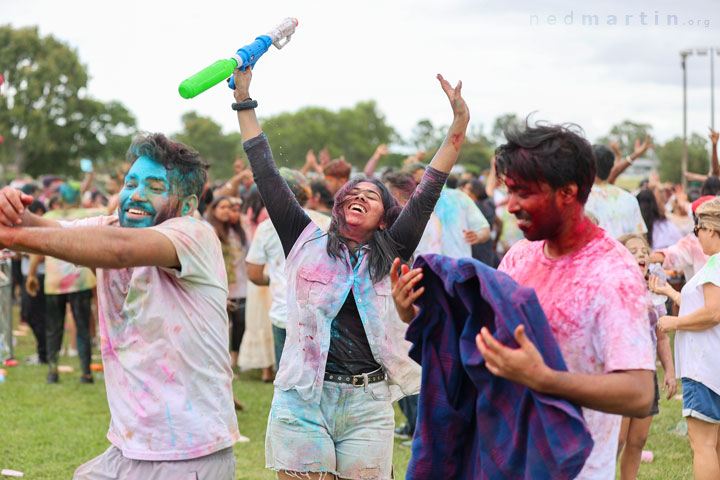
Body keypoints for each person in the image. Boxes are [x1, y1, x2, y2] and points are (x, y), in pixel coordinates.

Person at [232, 66, 469, 480]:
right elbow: (266, 174)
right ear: (339, 208)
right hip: (303, 397)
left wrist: (459, 123)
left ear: (383, 219)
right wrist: (244, 100)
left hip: (367, 403)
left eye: (371, 197)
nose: (359, 196)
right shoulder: (302, 238)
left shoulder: (393, 249)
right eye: (351, 194)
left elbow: (430, 186)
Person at [0, 133, 240, 479]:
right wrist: (11, 209)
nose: (136, 195)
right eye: (131, 183)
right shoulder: (111, 226)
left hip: (190, 453)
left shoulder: (193, 235)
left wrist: (10, 237)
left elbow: (119, 250)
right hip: (127, 448)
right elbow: (42, 228)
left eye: (155, 187)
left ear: (187, 205)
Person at [461, 121, 653, 479]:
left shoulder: (612, 275)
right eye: (508, 191)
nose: (511, 205)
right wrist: (413, 311)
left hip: (574, 469)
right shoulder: (520, 256)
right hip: (506, 460)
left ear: (567, 193)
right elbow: (486, 335)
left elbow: (639, 393)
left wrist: (545, 379)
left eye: (523, 193)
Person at [649, 197, 720, 480]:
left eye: (697, 229)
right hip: (713, 366)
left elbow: (714, 313)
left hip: (703, 371)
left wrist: (674, 322)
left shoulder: (714, 265)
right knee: (713, 445)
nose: (695, 235)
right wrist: (671, 294)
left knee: (702, 446)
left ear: (710, 229)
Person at [246, 168, 331, 372]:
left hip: (284, 313)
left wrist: (277, 279)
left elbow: (254, 274)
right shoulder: (326, 223)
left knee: (287, 380)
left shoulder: (267, 227)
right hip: (322, 311)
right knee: (320, 378)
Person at [30, 181, 105, 384]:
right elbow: (111, 209)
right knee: (82, 327)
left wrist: (30, 274)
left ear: (60, 199)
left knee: (53, 327)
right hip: (80, 280)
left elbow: (38, 249)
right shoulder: (88, 216)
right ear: (79, 198)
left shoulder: (48, 218)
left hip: (54, 282)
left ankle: (53, 372)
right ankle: (86, 374)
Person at [616, 233, 677, 480]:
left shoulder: (656, 292)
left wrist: (670, 373)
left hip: (647, 373)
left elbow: (662, 337)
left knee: (638, 439)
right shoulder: (614, 289)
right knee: (618, 439)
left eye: (643, 250)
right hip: (620, 373)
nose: (641, 254)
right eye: (633, 251)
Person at [584, 144, 647, 238]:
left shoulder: (579, 199)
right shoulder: (629, 199)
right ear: (611, 167)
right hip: (623, 252)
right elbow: (640, 237)